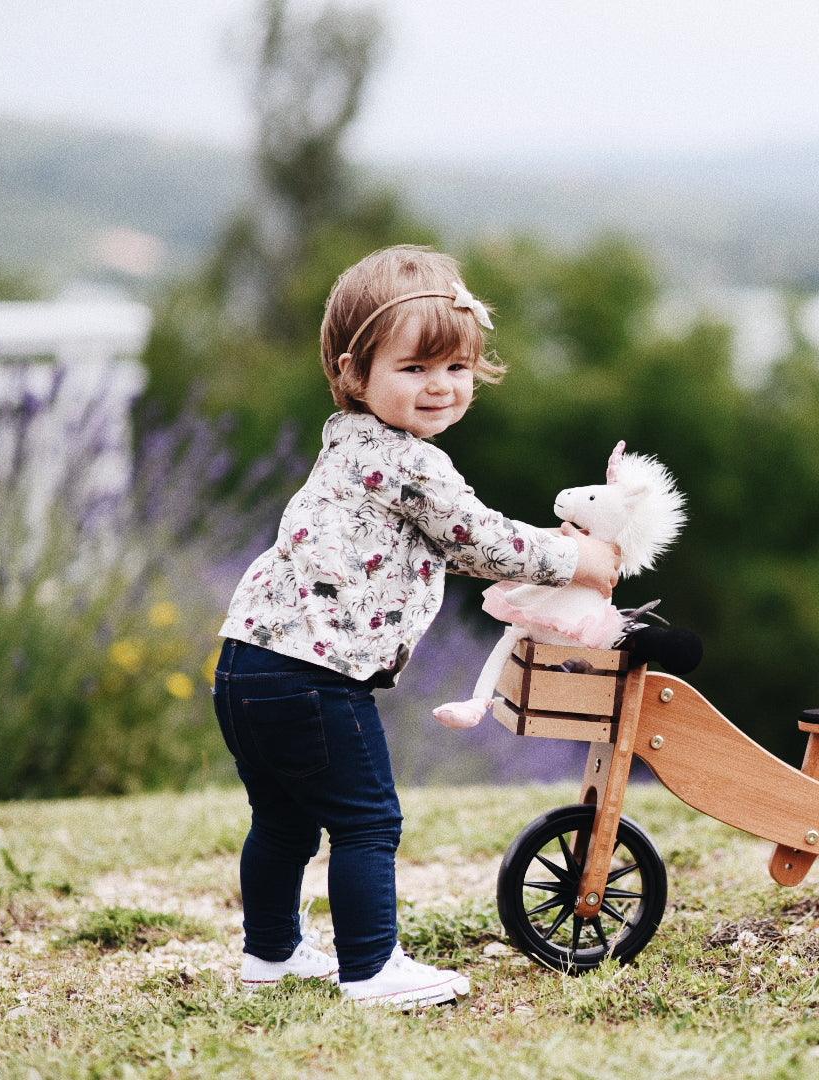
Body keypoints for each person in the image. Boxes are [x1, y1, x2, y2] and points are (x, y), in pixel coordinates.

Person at [211, 245, 621, 1008]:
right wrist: (577, 559)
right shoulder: (411, 463)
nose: (441, 387)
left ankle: (270, 953)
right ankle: (370, 969)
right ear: (352, 372)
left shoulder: (350, 444)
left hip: (247, 665)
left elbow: (440, 544)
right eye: (415, 368)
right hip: (313, 675)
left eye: (457, 367)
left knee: (283, 820)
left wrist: (547, 556)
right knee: (369, 819)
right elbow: (476, 538)